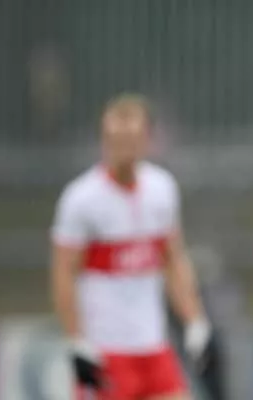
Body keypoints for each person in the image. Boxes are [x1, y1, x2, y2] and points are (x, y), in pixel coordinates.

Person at [50, 94, 214, 400]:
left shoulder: (162, 188)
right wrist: (75, 340)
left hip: (154, 346)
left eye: (131, 138)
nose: (123, 146)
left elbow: (173, 259)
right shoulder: (80, 199)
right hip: (106, 352)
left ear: (148, 139)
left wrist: (195, 320)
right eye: (115, 138)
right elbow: (63, 273)